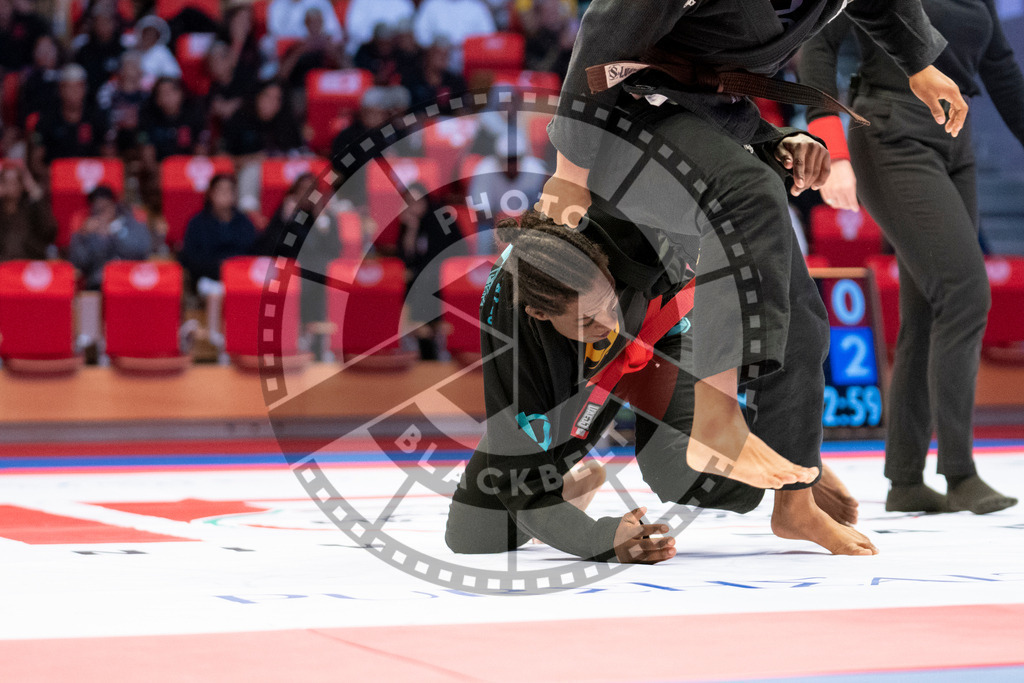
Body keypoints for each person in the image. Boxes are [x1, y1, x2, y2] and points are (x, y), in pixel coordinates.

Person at [471, 0, 969, 562]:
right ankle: (718, 417)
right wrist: (570, 170)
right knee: (749, 192)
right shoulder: (531, 298)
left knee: (801, 314)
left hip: (709, 122)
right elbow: (605, 33)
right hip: (622, 121)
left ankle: (795, 504)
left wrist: (915, 64)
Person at [446, 210, 869, 562]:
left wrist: (791, 454)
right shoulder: (510, 329)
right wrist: (604, 541)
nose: (607, 325)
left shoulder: (625, 234)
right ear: (539, 313)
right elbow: (522, 481)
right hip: (568, 364)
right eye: (588, 320)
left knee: (676, 467)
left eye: (606, 307)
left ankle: (786, 467)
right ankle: (569, 490)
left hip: (657, 326)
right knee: (473, 536)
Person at [798, 0, 1021, 515]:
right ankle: (961, 471)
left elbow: (1002, 71)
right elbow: (817, 45)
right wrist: (831, 148)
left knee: (930, 306)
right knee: (966, 292)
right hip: (890, 131)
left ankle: (906, 479)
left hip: (954, 139)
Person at [395, 183, 468, 359]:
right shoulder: (409, 223)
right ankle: (422, 339)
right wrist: (411, 230)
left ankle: (428, 333)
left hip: (444, 274)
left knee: (426, 281)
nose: (413, 206)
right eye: (409, 201)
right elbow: (405, 259)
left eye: (417, 201)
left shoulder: (441, 217)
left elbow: (460, 250)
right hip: (419, 278)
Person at [467, 130, 547, 254]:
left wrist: (522, 221)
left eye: (515, 159)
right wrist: (502, 221)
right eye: (507, 160)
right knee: (483, 234)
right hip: (494, 221)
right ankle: (483, 267)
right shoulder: (485, 169)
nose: (511, 165)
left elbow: (543, 206)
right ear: (498, 158)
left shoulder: (535, 170)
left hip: (527, 219)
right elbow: (480, 211)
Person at [30, 64, 113, 177]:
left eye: (78, 87)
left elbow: (109, 155)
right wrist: (54, 174)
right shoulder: (47, 119)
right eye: (69, 87)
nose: (74, 92)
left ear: (85, 89)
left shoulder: (96, 117)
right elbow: (36, 161)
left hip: (91, 178)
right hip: (56, 178)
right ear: (60, 89)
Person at [178, 173, 257, 286]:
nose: (225, 194)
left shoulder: (245, 222)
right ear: (210, 194)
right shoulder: (197, 223)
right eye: (220, 190)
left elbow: (253, 252)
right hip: (209, 278)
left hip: (241, 277)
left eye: (229, 190)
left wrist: (235, 269)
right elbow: (190, 258)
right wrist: (220, 269)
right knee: (214, 293)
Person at [68, 185, 152, 290]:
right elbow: (77, 262)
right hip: (99, 284)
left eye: (104, 207)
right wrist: (83, 237)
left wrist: (114, 234)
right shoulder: (87, 230)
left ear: (114, 205)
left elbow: (141, 250)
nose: (100, 213)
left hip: (130, 280)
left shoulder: (131, 222)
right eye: (96, 208)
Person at [0, 162, 57, 261]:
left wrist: (34, 190)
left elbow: (50, 232)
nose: (10, 186)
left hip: (28, 265)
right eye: (5, 181)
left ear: (22, 185)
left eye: (14, 182)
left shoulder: (31, 210)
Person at [73, 2, 125, 97]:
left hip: (116, 101)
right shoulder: (83, 51)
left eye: (106, 21)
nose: (103, 25)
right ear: (93, 24)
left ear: (114, 23)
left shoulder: (123, 51)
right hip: (88, 100)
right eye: (99, 21)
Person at [344, 0, 415, 56]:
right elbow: (354, 29)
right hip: (369, 50)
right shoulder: (361, 2)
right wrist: (378, 36)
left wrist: (392, 37)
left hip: (397, 50)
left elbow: (411, 29)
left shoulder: (403, 2)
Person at [134, 15, 182, 85]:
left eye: (152, 34)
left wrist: (155, 80)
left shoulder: (162, 51)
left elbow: (174, 75)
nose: (149, 36)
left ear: (157, 37)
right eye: (146, 33)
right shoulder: (134, 49)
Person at [266, 0, 343, 41]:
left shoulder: (320, 2)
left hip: (318, 49)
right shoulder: (277, 5)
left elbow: (334, 32)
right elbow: (276, 33)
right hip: (290, 53)